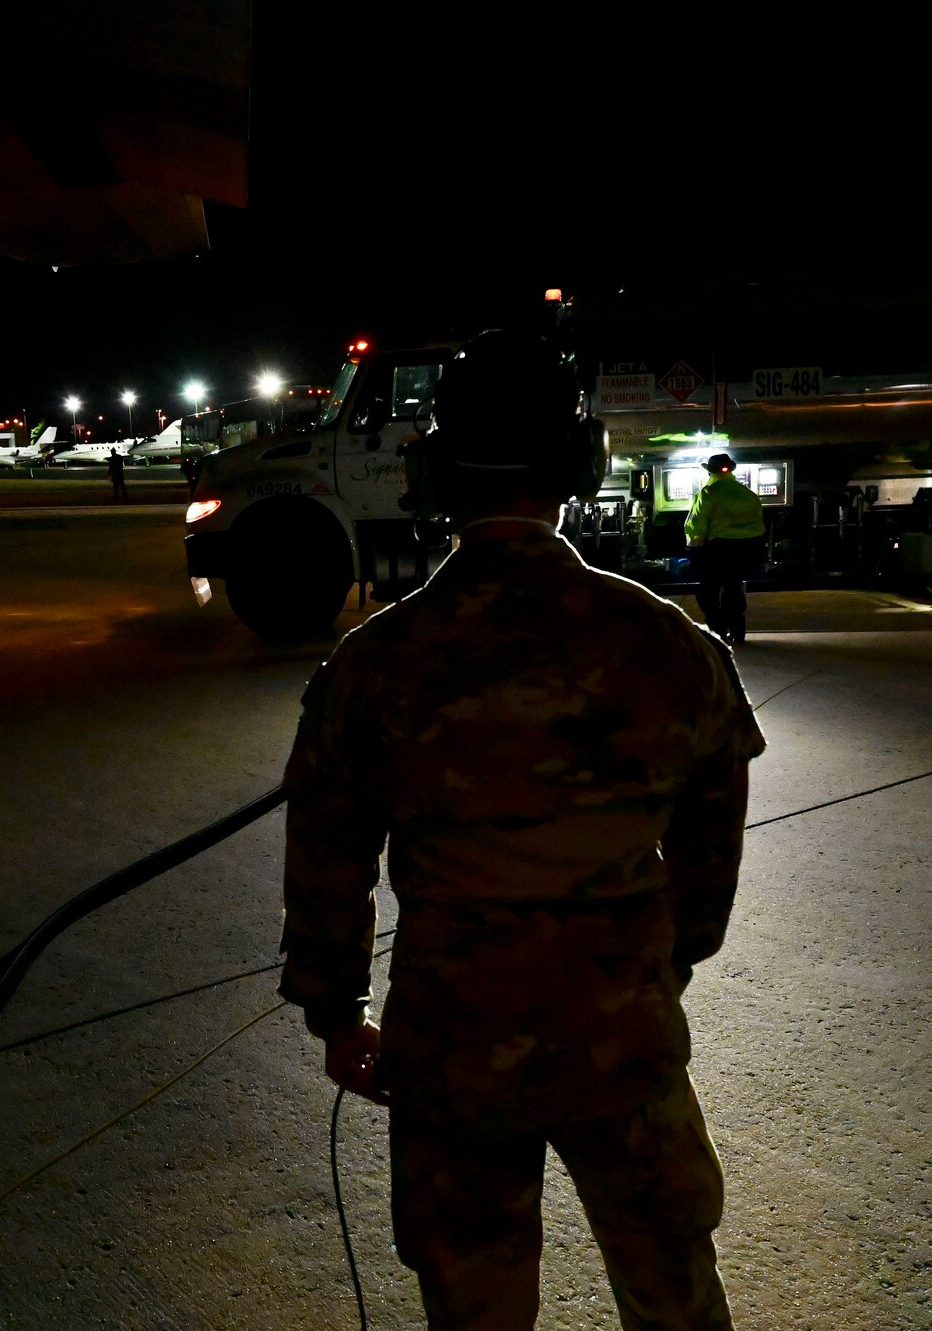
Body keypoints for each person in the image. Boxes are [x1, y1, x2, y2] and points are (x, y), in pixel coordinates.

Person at [279, 330, 765, 1330]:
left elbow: (326, 859)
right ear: (577, 467)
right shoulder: (669, 646)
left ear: (433, 471)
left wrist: (335, 1016)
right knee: (673, 1291)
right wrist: (650, 969)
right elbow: (709, 860)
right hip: (622, 1043)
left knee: (473, 1301)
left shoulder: (374, 663)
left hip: (451, 1052)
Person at [683, 454, 766, 645]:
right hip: (746, 549)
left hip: (718, 549)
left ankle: (717, 631)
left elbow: (697, 525)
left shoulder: (708, 493)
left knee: (707, 593)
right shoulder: (747, 494)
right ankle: (738, 631)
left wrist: (693, 549)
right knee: (733, 588)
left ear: (710, 471)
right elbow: (759, 524)